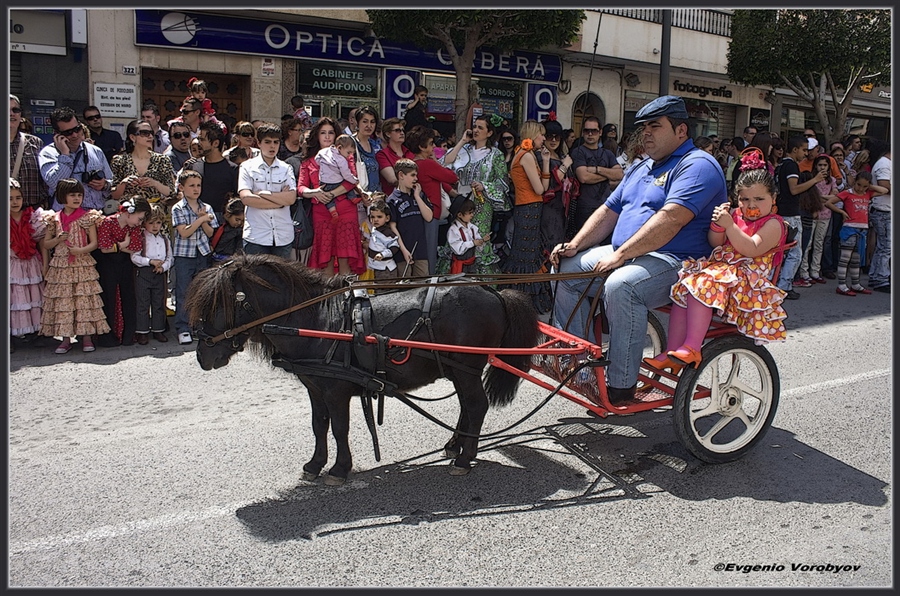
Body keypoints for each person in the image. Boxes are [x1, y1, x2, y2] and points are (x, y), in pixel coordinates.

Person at [550, 95, 727, 405]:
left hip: (678, 262)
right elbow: (608, 211)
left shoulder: (698, 165)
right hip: (631, 253)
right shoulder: (641, 167)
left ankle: (620, 387)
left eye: (655, 126)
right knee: (566, 269)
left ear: (681, 131)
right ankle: (575, 362)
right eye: (643, 126)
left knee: (622, 285)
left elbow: (670, 220)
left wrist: (619, 256)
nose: (645, 133)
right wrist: (575, 244)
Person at [644, 153, 787, 373]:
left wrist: (730, 226)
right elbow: (716, 242)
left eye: (759, 199)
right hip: (724, 271)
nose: (751, 205)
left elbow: (750, 248)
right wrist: (719, 226)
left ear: (773, 198)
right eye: (745, 199)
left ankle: (692, 346)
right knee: (686, 286)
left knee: (704, 283)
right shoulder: (735, 215)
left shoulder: (773, 224)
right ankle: (673, 351)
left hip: (748, 281)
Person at [39, 179, 109, 353]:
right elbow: (46, 244)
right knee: (65, 301)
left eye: (79, 195)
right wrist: (57, 240)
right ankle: (65, 339)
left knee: (84, 299)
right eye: (72, 195)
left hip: (82, 264)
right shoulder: (54, 219)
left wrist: (80, 250)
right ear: (63, 196)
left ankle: (86, 337)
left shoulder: (87, 216)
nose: (77, 198)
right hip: (61, 265)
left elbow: (94, 243)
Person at [438, 114, 509, 275]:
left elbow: (503, 184)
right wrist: (462, 141)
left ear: (489, 133)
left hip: (482, 206)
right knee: (458, 238)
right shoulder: (464, 150)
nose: (476, 130)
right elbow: (444, 163)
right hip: (462, 204)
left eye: (480, 128)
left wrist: (484, 186)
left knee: (478, 240)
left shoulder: (495, 155)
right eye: (475, 126)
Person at [501, 120, 553, 313]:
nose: (544, 139)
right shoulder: (526, 155)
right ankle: (524, 302)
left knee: (525, 254)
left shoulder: (522, 154)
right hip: (529, 208)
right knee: (527, 256)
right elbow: (540, 188)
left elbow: (543, 189)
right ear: (533, 135)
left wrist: (546, 161)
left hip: (528, 207)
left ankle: (516, 299)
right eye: (542, 135)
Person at [300, 117, 364, 275]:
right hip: (321, 213)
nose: (327, 136)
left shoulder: (347, 157)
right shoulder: (308, 162)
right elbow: (300, 188)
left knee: (346, 257)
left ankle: (348, 298)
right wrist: (313, 192)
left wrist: (330, 194)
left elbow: (352, 182)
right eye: (323, 133)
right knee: (325, 258)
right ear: (317, 136)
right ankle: (329, 298)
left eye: (331, 133)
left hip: (346, 210)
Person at [94, 196, 151, 347]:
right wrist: (123, 245)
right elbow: (104, 248)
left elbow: (136, 246)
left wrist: (118, 246)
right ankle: (108, 336)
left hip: (125, 264)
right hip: (107, 265)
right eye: (139, 218)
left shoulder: (134, 228)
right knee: (109, 297)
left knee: (128, 297)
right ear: (129, 212)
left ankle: (127, 335)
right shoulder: (108, 222)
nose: (140, 223)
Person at [775, 135, 826, 300]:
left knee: (782, 251)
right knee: (795, 252)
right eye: (804, 150)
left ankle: (778, 283)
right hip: (790, 213)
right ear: (795, 149)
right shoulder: (791, 166)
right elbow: (794, 189)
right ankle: (784, 285)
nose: (806, 153)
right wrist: (815, 180)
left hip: (781, 211)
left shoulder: (782, 164)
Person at [405, 125, 460, 274]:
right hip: (430, 212)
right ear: (422, 147)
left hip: (414, 212)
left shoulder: (411, 163)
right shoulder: (428, 164)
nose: (433, 146)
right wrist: (435, 161)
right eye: (430, 143)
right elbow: (452, 177)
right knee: (429, 254)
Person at [237, 122, 296, 259]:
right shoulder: (247, 167)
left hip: (282, 236)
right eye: (268, 142)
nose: (272, 146)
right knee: (255, 279)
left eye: (276, 142)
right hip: (256, 236)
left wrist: (264, 194)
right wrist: (280, 201)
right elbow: (246, 198)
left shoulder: (286, 168)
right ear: (258, 143)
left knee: (281, 280)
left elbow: (291, 198)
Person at [171, 169, 217, 344]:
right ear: (182, 187)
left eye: (198, 185)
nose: (196, 189)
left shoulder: (206, 207)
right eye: (191, 186)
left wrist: (204, 219)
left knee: (201, 291)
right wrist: (201, 219)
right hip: (184, 255)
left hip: (202, 253)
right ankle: (183, 327)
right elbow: (184, 232)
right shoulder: (178, 208)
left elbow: (210, 231)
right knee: (183, 291)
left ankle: (199, 325)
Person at [39, 106, 113, 212]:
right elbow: (55, 184)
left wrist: (104, 184)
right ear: (57, 134)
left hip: (95, 215)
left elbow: (112, 182)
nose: (74, 135)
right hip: (67, 217)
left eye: (77, 129)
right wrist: (65, 155)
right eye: (68, 132)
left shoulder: (95, 151)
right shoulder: (48, 153)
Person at [829, 171, 888, 296]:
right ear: (854, 182)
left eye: (865, 186)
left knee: (856, 260)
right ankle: (842, 285)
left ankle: (855, 284)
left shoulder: (868, 193)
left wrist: (870, 187)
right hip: (849, 230)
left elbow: (884, 190)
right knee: (845, 259)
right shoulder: (847, 193)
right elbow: (829, 203)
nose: (861, 188)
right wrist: (842, 212)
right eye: (859, 185)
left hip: (862, 231)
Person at [569, 116, 623, 235]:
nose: (590, 134)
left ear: (600, 132)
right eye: (586, 131)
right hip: (584, 207)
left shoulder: (607, 153)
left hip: (606, 206)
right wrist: (608, 175)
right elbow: (584, 177)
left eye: (593, 131)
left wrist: (596, 169)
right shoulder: (578, 152)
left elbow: (619, 174)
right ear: (582, 132)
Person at [9, 178, 48, 342]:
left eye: (18, 197)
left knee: (33, 297)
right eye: (9, 198)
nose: (14, 202)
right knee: (13, 299)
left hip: (31, 264)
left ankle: (35, 331)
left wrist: (46, 265)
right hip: (11, 265)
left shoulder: (33, 217)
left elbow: (42, 243)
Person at [131, 204, 173, 344]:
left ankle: (158, 330)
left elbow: (169, 258)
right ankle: (142, 331)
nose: (155, 226)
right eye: (151, 223)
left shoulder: (164, 239)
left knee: (159, 303)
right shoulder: (141, 238)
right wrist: (150, 262)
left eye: (158, 222)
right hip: (143, 273)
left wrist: (164, 267)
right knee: (143, 303)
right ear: (144, 223)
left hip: (160, 273)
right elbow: (135, 257)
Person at [110, 119, 176, 207]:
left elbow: (171, 191)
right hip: (129, 211)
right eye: (144, 133)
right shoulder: (119, 160)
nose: (150, 136)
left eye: (151, 133)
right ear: (133, 137)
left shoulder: (162, 160)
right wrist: (124, 183)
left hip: (155, 213)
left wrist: (154, 183)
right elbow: (114, 195)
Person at [181, 121, 239, 218]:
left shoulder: (232, 169)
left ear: (215, 143)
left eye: (202, 140)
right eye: (198, 139)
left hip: (222, 222)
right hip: (194, 219)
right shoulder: (192, 166)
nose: (199, 143)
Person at [387, 158, 434, 277]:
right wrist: (403, 250)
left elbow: (429, 217)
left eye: (416, 175)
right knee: (405, 287)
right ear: (401, 175)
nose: (416, 179)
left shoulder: (419, 195)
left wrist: (417, 196)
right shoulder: (392, 200)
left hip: (421, 251)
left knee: (423, 285)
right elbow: (393, 227)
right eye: (412, 175)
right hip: (403, 253)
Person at [803, 155, 840, 285]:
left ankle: (815, 271)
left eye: (825, 165)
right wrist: (826, 198)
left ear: (829, 167)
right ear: (815, 166)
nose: (822, 168)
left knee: (819, 243)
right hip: (812, 213)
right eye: (820, 165)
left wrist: (821, 197)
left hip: (826, 215)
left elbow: (835, 196)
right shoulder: (812, 180)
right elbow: (812, 196)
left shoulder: (832, 180)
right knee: (808, 244)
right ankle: (804, 272)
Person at [10, 95, 50, 209]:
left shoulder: (35, 143)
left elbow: (45, 180)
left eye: (15, 110)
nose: (11, 114)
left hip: (33, 216)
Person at [540, 117, 574, 254]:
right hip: (547, 208)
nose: (553, 140)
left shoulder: (562, 156)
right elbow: (551, 183)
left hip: (562, 208)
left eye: (557, 137)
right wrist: (565, 166)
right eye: (549, 137)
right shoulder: (541, 156)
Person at [315, 133, 360, 221]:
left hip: (324, 182)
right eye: (348, 152)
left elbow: (317, 159)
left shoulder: (324, 151)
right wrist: (355, 180)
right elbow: (346, 175)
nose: (349, 155)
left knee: (328, 199)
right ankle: (353, 198)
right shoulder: (341, 159)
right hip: (337, 181)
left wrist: (323, 166)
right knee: (349, 186)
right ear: (339, 148)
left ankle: (333, 211)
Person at [867, 141, 891, 293]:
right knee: (886, 247)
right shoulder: (884, 164)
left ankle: (876, 275)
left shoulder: (887, 164)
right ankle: (880, 278)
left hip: (885, 209)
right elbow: (885, 186)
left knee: (883, 246)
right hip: (882, 210)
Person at [446, 197, 488, 274]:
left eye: (472, 212)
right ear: (460, 215)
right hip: (460, 266)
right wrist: (473, 243)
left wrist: (482, 241)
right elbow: (458, 250)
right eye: (469, 213)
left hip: (472, 263)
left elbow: (478, 247)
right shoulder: (453, 230)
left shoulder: (473, 228)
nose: (472, 215)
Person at [375, 117, 414, 196]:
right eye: (397, 130)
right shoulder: (382, 155)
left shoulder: (410, 153)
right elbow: (392, 179)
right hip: (393, 199)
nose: (402, 133)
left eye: (403, 130)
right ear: (388, 134)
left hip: (412, 198)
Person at [364, 199, 401, 279]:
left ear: (387, 218)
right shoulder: (374, 229)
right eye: (372, 217)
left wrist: (383, 254)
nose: (376, 219)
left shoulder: (388, 233)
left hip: (386, 269)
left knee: (386, 290)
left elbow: (395, 247)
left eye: (379, 217)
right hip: (376, 268)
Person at [352, 106, 384, 194]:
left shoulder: (375, 145)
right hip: (357, 197)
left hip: (374, 197)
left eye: (372, 122)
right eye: (365, 121)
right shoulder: (350, 143)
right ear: (357, 123)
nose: (369, 126)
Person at [210, 196, 245, 263]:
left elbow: (239, 247)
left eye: (242, 220)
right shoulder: (216, 221)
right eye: (237, 219)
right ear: (227, 215)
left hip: (229, 260)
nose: (239, 223)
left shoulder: (239, 231)